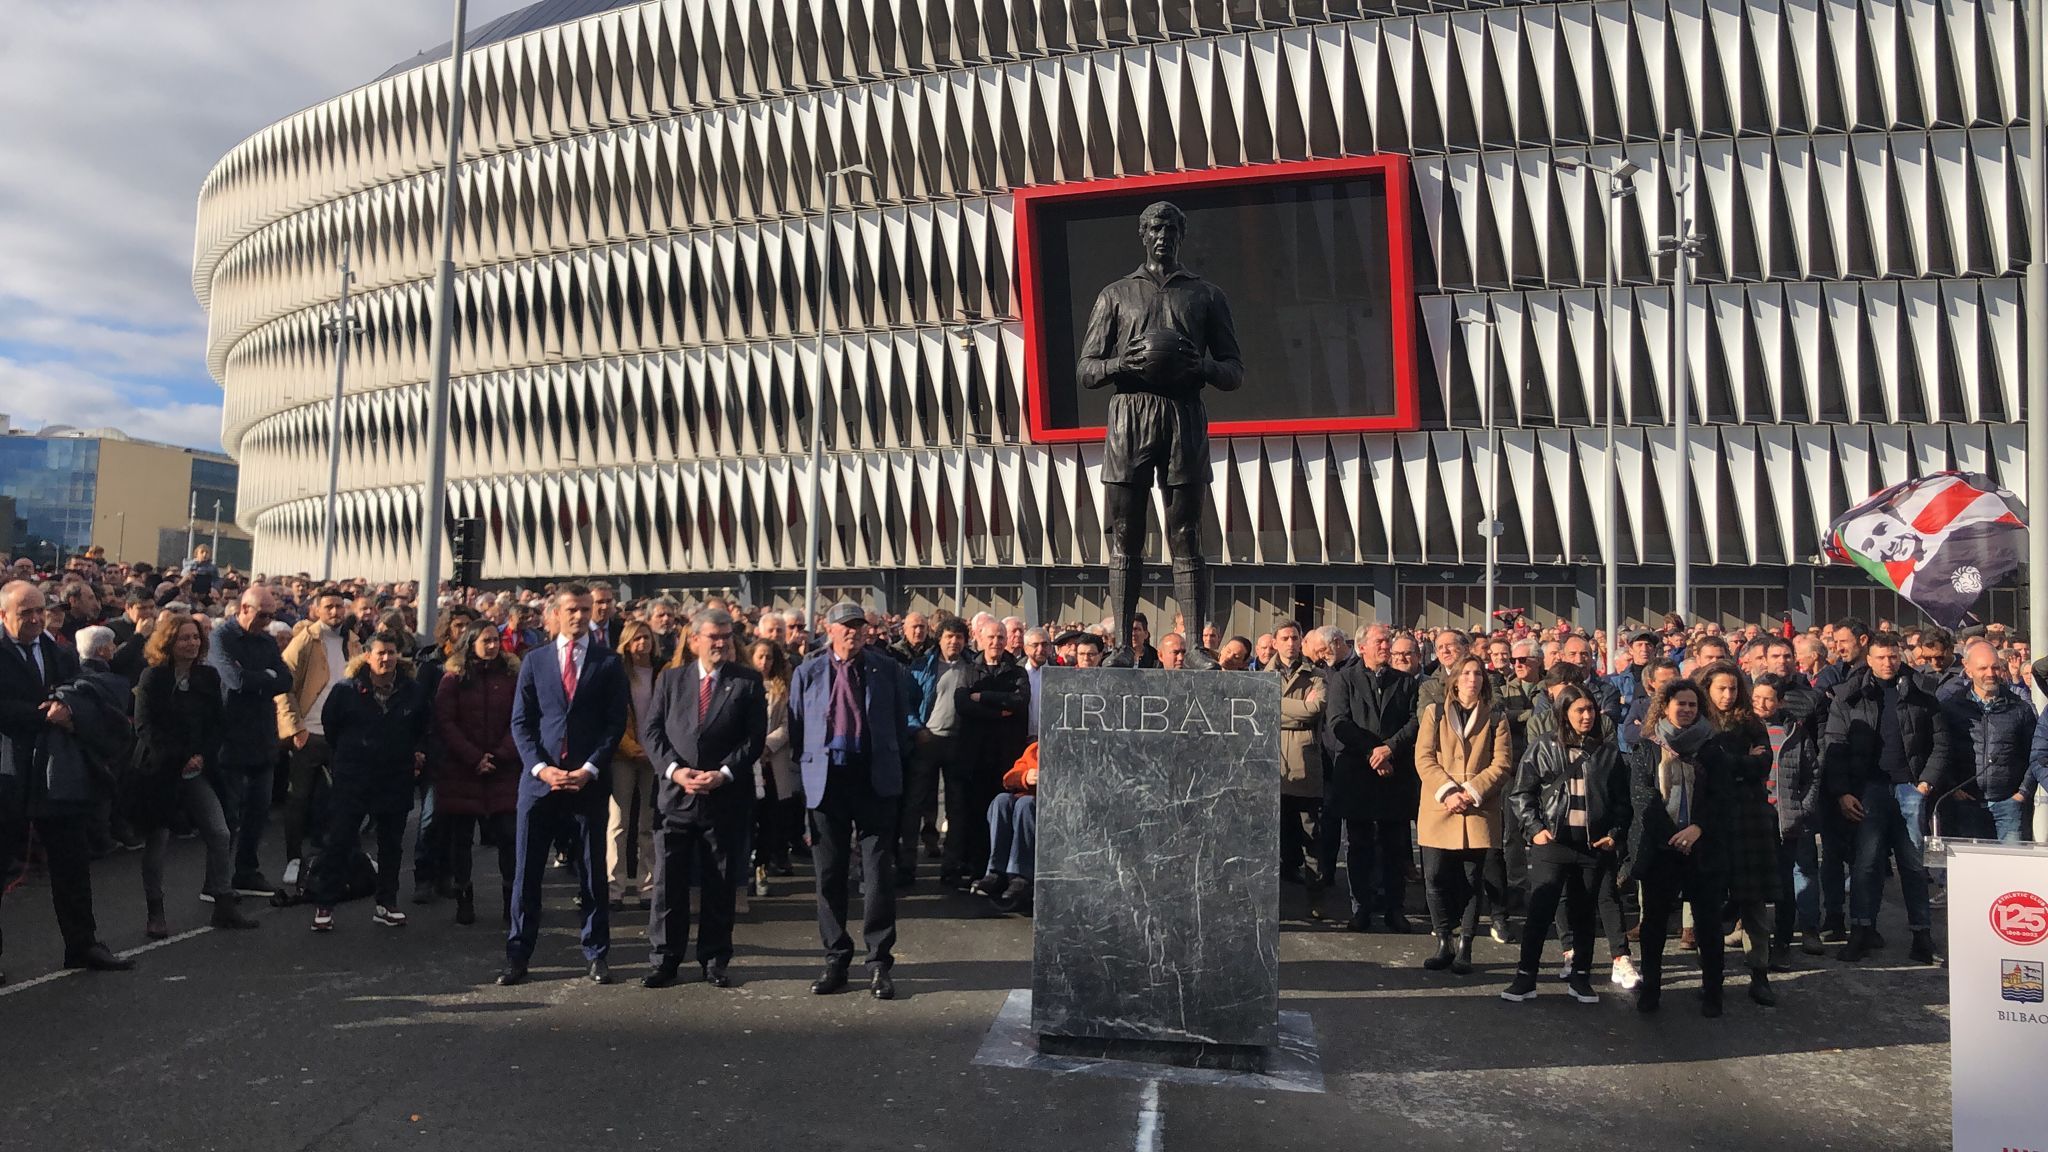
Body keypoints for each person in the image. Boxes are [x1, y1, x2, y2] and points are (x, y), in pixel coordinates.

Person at [0, 582, 134, 977]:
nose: (36, 618)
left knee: (72, 861)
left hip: (56, 774)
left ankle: (83, 944)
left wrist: (69, 711)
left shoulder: (58, 652)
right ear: (5, 614)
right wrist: (43, 715)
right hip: (8, 772)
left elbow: (83, 693)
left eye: (40, 610)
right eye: (26, 613)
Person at [501, 583, 629, 986]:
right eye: (572, 609)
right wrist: (540, 768)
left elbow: (614, 724)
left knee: (593, 873)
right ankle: (518, 954)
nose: (580, 617)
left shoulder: (609, 663)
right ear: (556, 613)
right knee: (527, 873)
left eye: (586, 609)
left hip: (586, 781)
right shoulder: (535, 661)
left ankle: (596, 953)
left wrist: (590, 767)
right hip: (541, 783)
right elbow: (521, 722)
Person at [788, 602, 915, 1000]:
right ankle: (835, 959)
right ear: (828, 628)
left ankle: (879, 961)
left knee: (877, 873)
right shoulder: (808, 670)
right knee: (829, 874)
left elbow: (899, 722)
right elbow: (796, 727)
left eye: (858, 627)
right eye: (845, 626)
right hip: (827, 780)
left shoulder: (886, 668)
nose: (853, 633)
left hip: (873, 778)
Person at [640, 608, 767, 989]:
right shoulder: (672, 679)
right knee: (668, 884)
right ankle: (665, 958)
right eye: (713, 636)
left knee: (720, 881)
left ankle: (714, 958)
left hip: (723, 797)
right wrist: (676, 770)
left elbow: (754, 739)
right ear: (694, 639)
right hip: (676, 797)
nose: (721, 643)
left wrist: (724, 773)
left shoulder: (747, 682)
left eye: (727, 636)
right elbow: (652, 731)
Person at [131, 614, 258, 937]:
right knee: (158, 842)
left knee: (220, 832)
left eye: (195, 637)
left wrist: (200, 754)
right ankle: (155, 910)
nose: (191, 643)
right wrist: (179, 758)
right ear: (169, 642)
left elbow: (218, 723)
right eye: (184, 638)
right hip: (159, 770)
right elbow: (145, 726)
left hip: (198, 767)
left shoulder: (207, 676)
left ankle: (223, 902)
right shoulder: (153, 677)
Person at [1501, 685, 1629, 1004]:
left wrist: (1614, 833)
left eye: (1591, 710)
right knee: (1540, 912)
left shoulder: (1608, 752)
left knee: (1584, 913)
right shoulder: (1543, 747)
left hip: (1592, 845)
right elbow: (1522, 793)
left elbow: (1622, 803)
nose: (1586, 716)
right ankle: (1525, 977)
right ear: (1563, 714)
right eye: (1579, 710)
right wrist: (1535, 829)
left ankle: (1581, 977)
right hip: (1553, 843)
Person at [1822, 633, 1942, 965]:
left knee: (1914, 867)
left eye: (1892, 656)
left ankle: (1922, 935)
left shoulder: (1922, 694)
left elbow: (1941, 742)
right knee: (1866, 864)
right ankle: (1861, 930)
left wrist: (1926, 782)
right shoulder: (1848, 696)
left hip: (1909, 788)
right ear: (1869, 659)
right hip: (1868, 790)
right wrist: (1843, 792)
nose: (1887, 663)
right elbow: (1835, 747)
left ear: (1899, 657)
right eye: (1880, 657)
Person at [309, 632, 430, 932]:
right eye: (380, 653)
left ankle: (386, 904)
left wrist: (414, 753)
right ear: (367, 655)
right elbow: (331, 727)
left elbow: (422, 727)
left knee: (391, 845)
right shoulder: (345, 690)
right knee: (338, 841)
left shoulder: (413, 691)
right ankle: (325, 903)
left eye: (391, 652)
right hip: (353, 777)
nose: (386, 658)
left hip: (395, 777)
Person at [1627, 679, 1731, 1016]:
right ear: (1665, 706)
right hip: (1661, 848)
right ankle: (1651, 988)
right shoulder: (1648, 747)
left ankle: (1713, 990)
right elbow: (1643, 798)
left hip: (1703, 846)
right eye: (1680, 704)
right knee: (1654, 924)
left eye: (1692, 705)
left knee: (1708, 924)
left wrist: (1698, 828)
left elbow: (1722, 797)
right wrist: (1673, 835)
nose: (1686, 710)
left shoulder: (1713, 747)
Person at [1413, 656, 1511, 975]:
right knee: (1435, 877)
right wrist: (1448, 791)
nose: (1472, 679)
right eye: (1466, 673)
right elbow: (1424, 757)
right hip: (1440, 804)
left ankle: (1466, 944)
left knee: (1472, 879)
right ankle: (1444, 939)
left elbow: (1502, 763)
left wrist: (1471, 791)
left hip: (1477, 806)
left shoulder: (1496, 716)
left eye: (1478, 674)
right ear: (1454, 680)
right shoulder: (1435, 712)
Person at [1322, 624, 1420, 933]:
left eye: (1387, 641)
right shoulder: (1344, 679)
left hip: (1395, 773)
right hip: (1357, 775)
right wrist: (1372, 753)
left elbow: (1416, 721)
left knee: (1394, 845)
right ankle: (1360, 907)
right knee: (1358, 844)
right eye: (1380, 641)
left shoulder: (1406, 682)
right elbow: (1338, 722)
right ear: (1362, 646)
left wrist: (1389, 749)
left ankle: (1394, 907)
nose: (1386, 646)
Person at [1696, 661, 1784, 1007]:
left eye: (1733, 688)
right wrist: (1738, 761)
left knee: (1754, 902)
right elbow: (1703, 766)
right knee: (1711, 900)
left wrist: (1730, 762)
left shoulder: (1751, 723)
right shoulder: (1701, 724)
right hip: (1713, 819)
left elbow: (1763, 765)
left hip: (1750, 818)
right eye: (1721, 688)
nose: (1728, 695)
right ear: (1708, 689)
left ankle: (1759, 973)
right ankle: (1710, 974)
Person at [433, 622, 523, 926]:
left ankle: (511, 900)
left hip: (503, 768)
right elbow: (446, 722)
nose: (492, 646)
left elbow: (520, 719)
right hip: (463, 769)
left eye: (496, 640)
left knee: (509, 836)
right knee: (462, 839)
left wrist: (499, 755)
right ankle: (464, 897)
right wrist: (474, 758)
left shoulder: (512, 676)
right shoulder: (453, 678)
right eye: (486, 640)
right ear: (471, 643)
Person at [207, 585, 292, 898]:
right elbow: (235, 680)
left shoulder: (267, 640)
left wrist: (262, 677)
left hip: (262, 736)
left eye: (271, 616)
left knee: (258, 811)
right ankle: (215, 880)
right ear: (243, 608)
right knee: (228, 814)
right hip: (230, 736)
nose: (267, 622)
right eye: (262, 615)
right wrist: (264, 677)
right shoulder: (221, 638)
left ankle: (246, 871)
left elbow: (285, 679)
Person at [275, 586, 361, 890]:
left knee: (345, 797)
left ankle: (345, 853)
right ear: (317, 609)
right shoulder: (305, 640)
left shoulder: (351, 641)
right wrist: (294, 727)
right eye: (329, 607)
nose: (335, 612)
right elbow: (283, 686)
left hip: (342, 734)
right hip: (308, 733)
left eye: (339, 606)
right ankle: (294, 858)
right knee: (299, 797)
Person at [1754, 673, 1828, 961]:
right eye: (1756, 698)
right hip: (1754, 818)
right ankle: (1757, 943)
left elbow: (1812, 773)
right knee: (1755, 885)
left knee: (1784, 883)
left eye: (1768, 699)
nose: (1761, 704)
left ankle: (1782, 943)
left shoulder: (1795, 732)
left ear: (1780, 701)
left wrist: (1803, 807)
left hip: (1785, 818)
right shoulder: (1744, 730)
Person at [1939, 640, 2035, 845]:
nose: (1990, 673)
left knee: (2011, 871)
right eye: (1983, 668)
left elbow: (2034, 754)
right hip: (1966, 802)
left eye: (1995, 667)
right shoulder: (1951, 708)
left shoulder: (2020, 709)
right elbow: (1941, 750)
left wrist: (2023, 792)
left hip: (2008, 803)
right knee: (1972, 872)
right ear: (1968, 668)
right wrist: (1953, 787)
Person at [607, 621, 662, 911]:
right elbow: (613, 715)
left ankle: (648, 886)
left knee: (649, 824)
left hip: (654, 757)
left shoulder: (662, 672)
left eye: (647, 638)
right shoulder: (618, 674)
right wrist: (631, 747)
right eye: (637, 638)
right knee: (618, 823)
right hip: (623, 755)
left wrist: (653, 749)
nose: (643, 643)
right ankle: (614, 888)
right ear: (627, 644)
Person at [1272, 622, 1326, 903]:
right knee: (1276, 836)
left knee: (1312, 835)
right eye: (1285, 638)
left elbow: (1315, 710)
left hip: (1305, 763)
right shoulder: (1263, 675)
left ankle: (1316, 897)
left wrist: (1276, 704)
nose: (1290, 643)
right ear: (1275, 643)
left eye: (1295, 637)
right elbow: (1258, 708)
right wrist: (1299, 708)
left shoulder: (1316, 675)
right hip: (1273, 763)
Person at [750, 638, 798, 888]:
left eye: (769, 657)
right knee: (748, 817)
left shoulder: (781, 689)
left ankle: (762, 865)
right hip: (748, 761)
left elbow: (787, 725)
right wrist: (753, 748)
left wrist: (767, 746)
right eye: (760, 656)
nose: (764, 662)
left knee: (770, 817)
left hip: (772, 759)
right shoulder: (744, 684)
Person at [973, 741, 1039, 909]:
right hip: (1023, 799)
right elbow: (1009, 778)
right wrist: (1025, 777)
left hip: (1042, 804)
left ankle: (1021, 875)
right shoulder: (1034, 750)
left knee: (1025, 804)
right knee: (1001, 801)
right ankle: (996, 871)